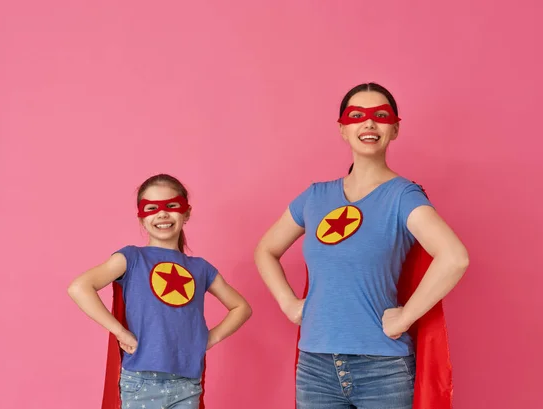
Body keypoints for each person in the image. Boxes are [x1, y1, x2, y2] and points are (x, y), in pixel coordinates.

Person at [254, 83, 469, 409]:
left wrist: (405, 318)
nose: (369, 124)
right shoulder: (314, 197)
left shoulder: (403, 196)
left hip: (382, 369)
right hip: (316, 366)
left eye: (380, 116)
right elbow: (265, 250)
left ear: (394, 129)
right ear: (343, 129)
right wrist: (287, 302)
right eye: (357, 116)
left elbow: (454, 257)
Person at [68, 173, 252, 409]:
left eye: (172, 205)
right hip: (140, 380)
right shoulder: (132, 258)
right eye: (152, 208)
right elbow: (80, 287)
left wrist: (211, 337)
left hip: (187, 383)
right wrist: (119, 331)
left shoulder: (200, 268)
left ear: (186, 213)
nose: (162, 213)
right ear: (141, 219)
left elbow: (241, 307)